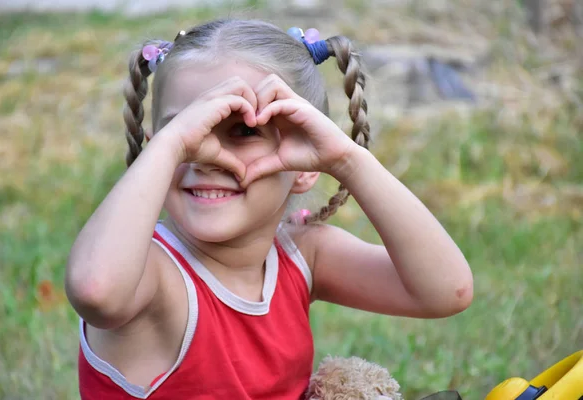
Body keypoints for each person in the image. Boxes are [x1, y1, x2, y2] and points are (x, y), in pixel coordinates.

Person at [65, 18, 474, 400]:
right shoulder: (154, 274)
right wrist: (171, 146)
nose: (208, 155)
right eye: (186, 129)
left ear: (303, 164)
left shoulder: (303, 255)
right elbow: (96, 291)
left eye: (244, 131)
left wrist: (348, 161)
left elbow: (445, 291)